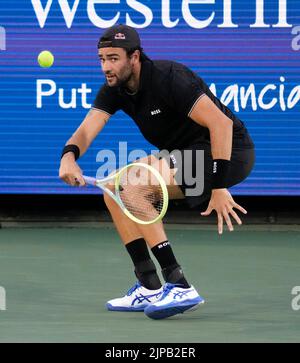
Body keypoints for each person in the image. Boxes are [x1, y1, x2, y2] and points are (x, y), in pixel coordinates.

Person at [59, 24, 255, 320]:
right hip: (186, 155)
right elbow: (87, 130)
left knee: (132, 185)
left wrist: (218, 184)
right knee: (113, 190)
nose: (105, 67)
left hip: (230, 150)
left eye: (113, 58)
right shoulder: (115, 89)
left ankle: (178, 283)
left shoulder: (169, 77)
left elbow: (221, 125)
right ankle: (149, 284)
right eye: (101, 59)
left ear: (134, 57)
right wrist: (68, 157)